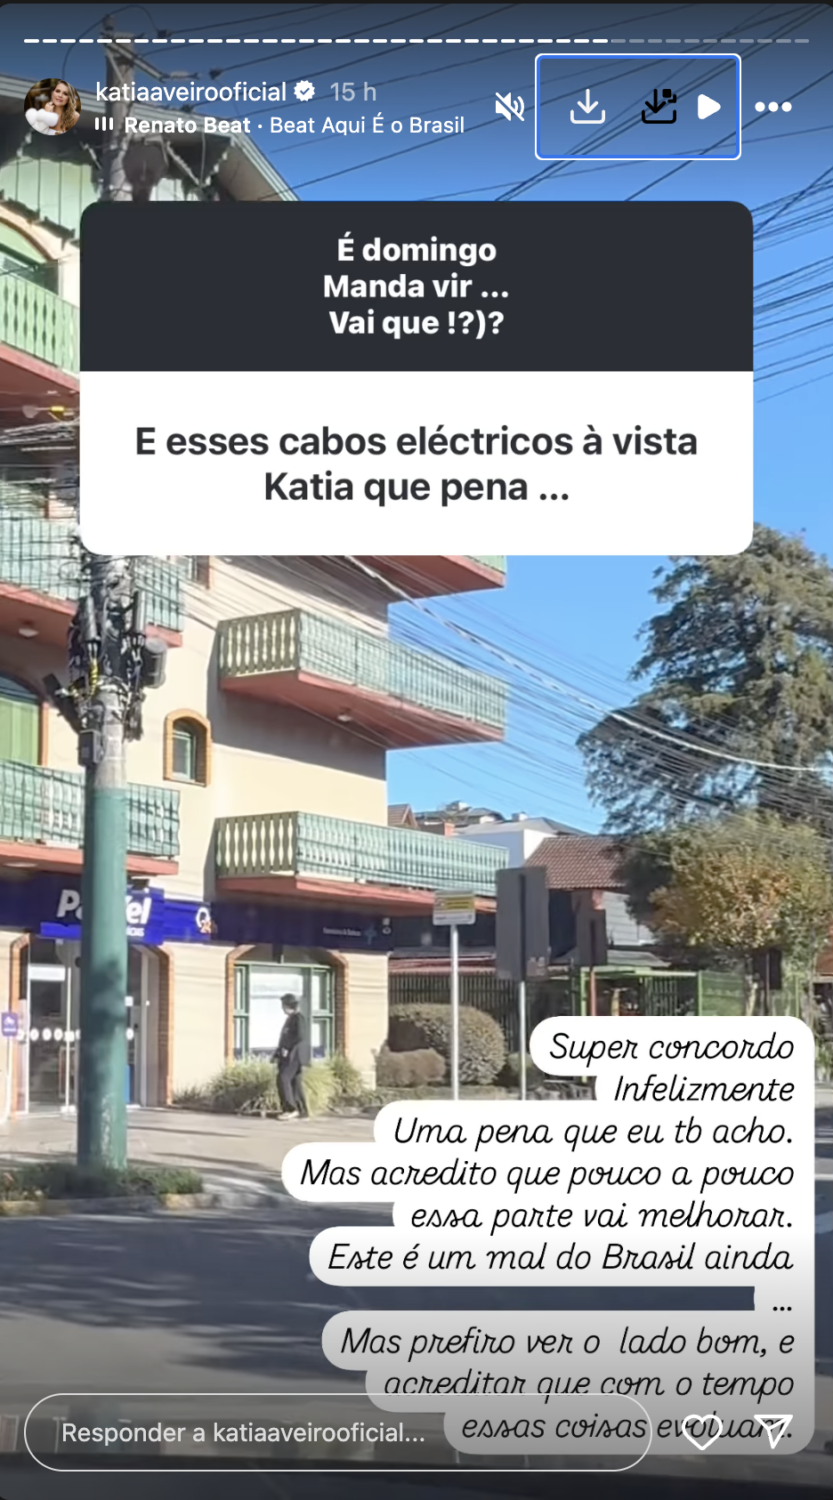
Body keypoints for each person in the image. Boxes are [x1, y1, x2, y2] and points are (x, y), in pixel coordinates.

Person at [272, 995, 309, 1119]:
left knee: (283, 1078)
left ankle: (291, 1108)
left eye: (283, 1005)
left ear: (288, 1006)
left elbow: (300, 1036)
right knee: (295, 1081)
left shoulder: (298, 1019)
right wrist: (277, 1053)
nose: (282, 1008)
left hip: (295, 1055)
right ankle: (302, 1111)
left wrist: (287, 1048)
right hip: (290, 1055)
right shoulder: (291, 1019)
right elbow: (284, 1038)